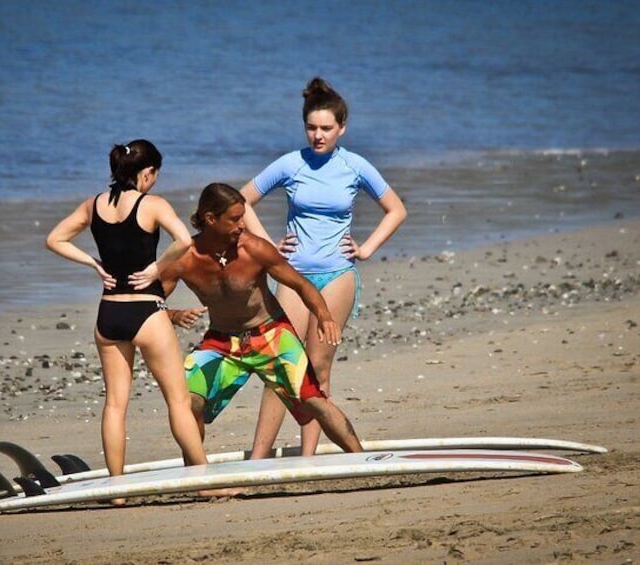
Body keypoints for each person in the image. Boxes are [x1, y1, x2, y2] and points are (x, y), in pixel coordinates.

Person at [238, 77, 408, 457]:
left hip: (337, 276)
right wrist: (266, 246)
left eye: (326, 129)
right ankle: (258, 458)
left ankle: (308, 458)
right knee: (281, 368)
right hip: (293, 275)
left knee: (318, 367)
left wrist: (365, 248)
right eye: (312, 128)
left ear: (341, 128)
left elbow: (396, 209)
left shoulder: (355, 166)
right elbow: (241, 201)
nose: (318, 135)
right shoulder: (290, 163)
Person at [45, 139, 207, 503]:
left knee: (115, 405)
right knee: (178, 402)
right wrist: (156, 267)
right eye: (154, 175)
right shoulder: (152, 205)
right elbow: (184, 241)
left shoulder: (93, 205)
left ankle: (116, 490)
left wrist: (93, 264)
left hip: (109, 313)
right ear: (146, 173)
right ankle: (205, 480)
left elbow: (54, 239)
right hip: (146, 312)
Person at [160, 182, 363, 457]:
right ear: (210, 219)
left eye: (242, 216)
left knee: (315, 400)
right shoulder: (184, 259)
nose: (242, 225)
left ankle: (361, 458)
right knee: (188, 402)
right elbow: (150, 299)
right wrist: (173, 315)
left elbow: (301, 284)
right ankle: (198, 474)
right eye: (234, 219)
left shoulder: (254, 249)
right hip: (221, 342)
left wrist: (323, 315)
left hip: (271, 334)